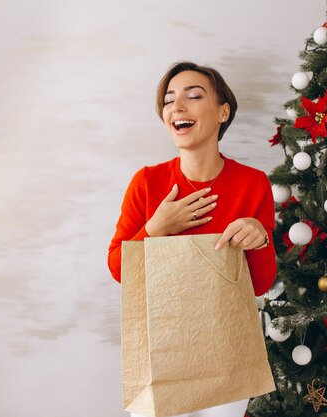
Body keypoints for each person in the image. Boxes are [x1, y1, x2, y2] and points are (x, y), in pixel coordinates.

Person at [108, 62, 277, 417]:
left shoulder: (252, 183)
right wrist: (156, 229)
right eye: (169, 101)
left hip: (226, 356)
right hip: (162, 353)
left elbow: (260, 284)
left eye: (193, 96)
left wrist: (260, 239)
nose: (177, 107)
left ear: (222, 111)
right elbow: (119, 270)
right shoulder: (147, 183)